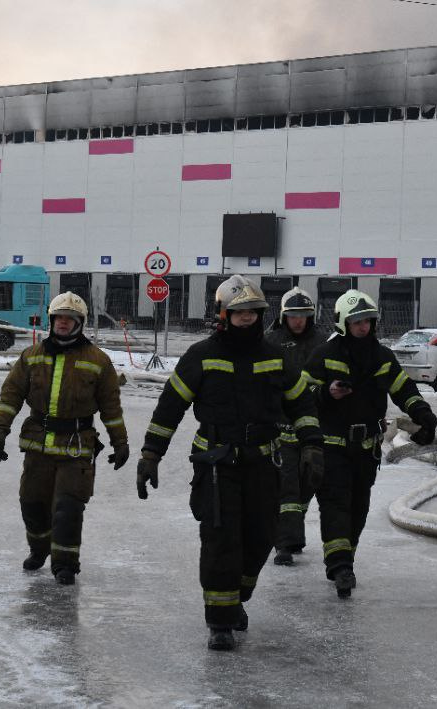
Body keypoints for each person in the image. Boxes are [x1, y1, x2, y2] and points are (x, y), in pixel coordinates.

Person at [137, 275, 320, 651]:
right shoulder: (201, 356)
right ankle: (220, 621)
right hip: (217, 466)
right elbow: (171, 406)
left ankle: (236, 598)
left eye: (252, 312)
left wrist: (313, 445)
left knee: (260, 538)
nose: (247, 318)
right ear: (223, 314)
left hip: (262, 463)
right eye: (239, 312)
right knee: (221, 541)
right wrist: (151, 454)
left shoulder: (274, 356)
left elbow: (301, 403)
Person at [0, 292, 130, 585]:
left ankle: (65, 564)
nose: (63, 323)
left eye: (70, 319)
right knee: (32, 504)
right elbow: (11, 395)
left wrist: (121, 442)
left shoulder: (97, 360)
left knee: (68, 508)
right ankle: (39, 550)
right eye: (59, 318)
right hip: (38, 446)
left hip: (76, 448)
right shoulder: (31, 356)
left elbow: (111, 408)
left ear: (80, 323)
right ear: (52, 321)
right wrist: (0, 428)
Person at [303, 289, 437, 599]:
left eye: (368, 320)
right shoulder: (324, 356)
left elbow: (404, 389)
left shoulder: (381, 357)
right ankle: (339, 566)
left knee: (358, 508)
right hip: (332, 447)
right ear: (342, 323)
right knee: (335, 505)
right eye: (357, 321)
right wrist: (326, 393)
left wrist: (424, 415)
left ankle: (345, 559)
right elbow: (298, 396)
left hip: (366, 450)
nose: (363, 326)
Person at [264, 286, 328, 567]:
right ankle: (284, 545)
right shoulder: (270, 341)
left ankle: (293, 531)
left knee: (307, 483)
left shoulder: (323, 343)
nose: (298, 320)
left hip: (314, 428)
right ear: (283, 316)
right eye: (293, 315)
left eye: (303, 315)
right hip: (280, 428)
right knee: (287, 487)